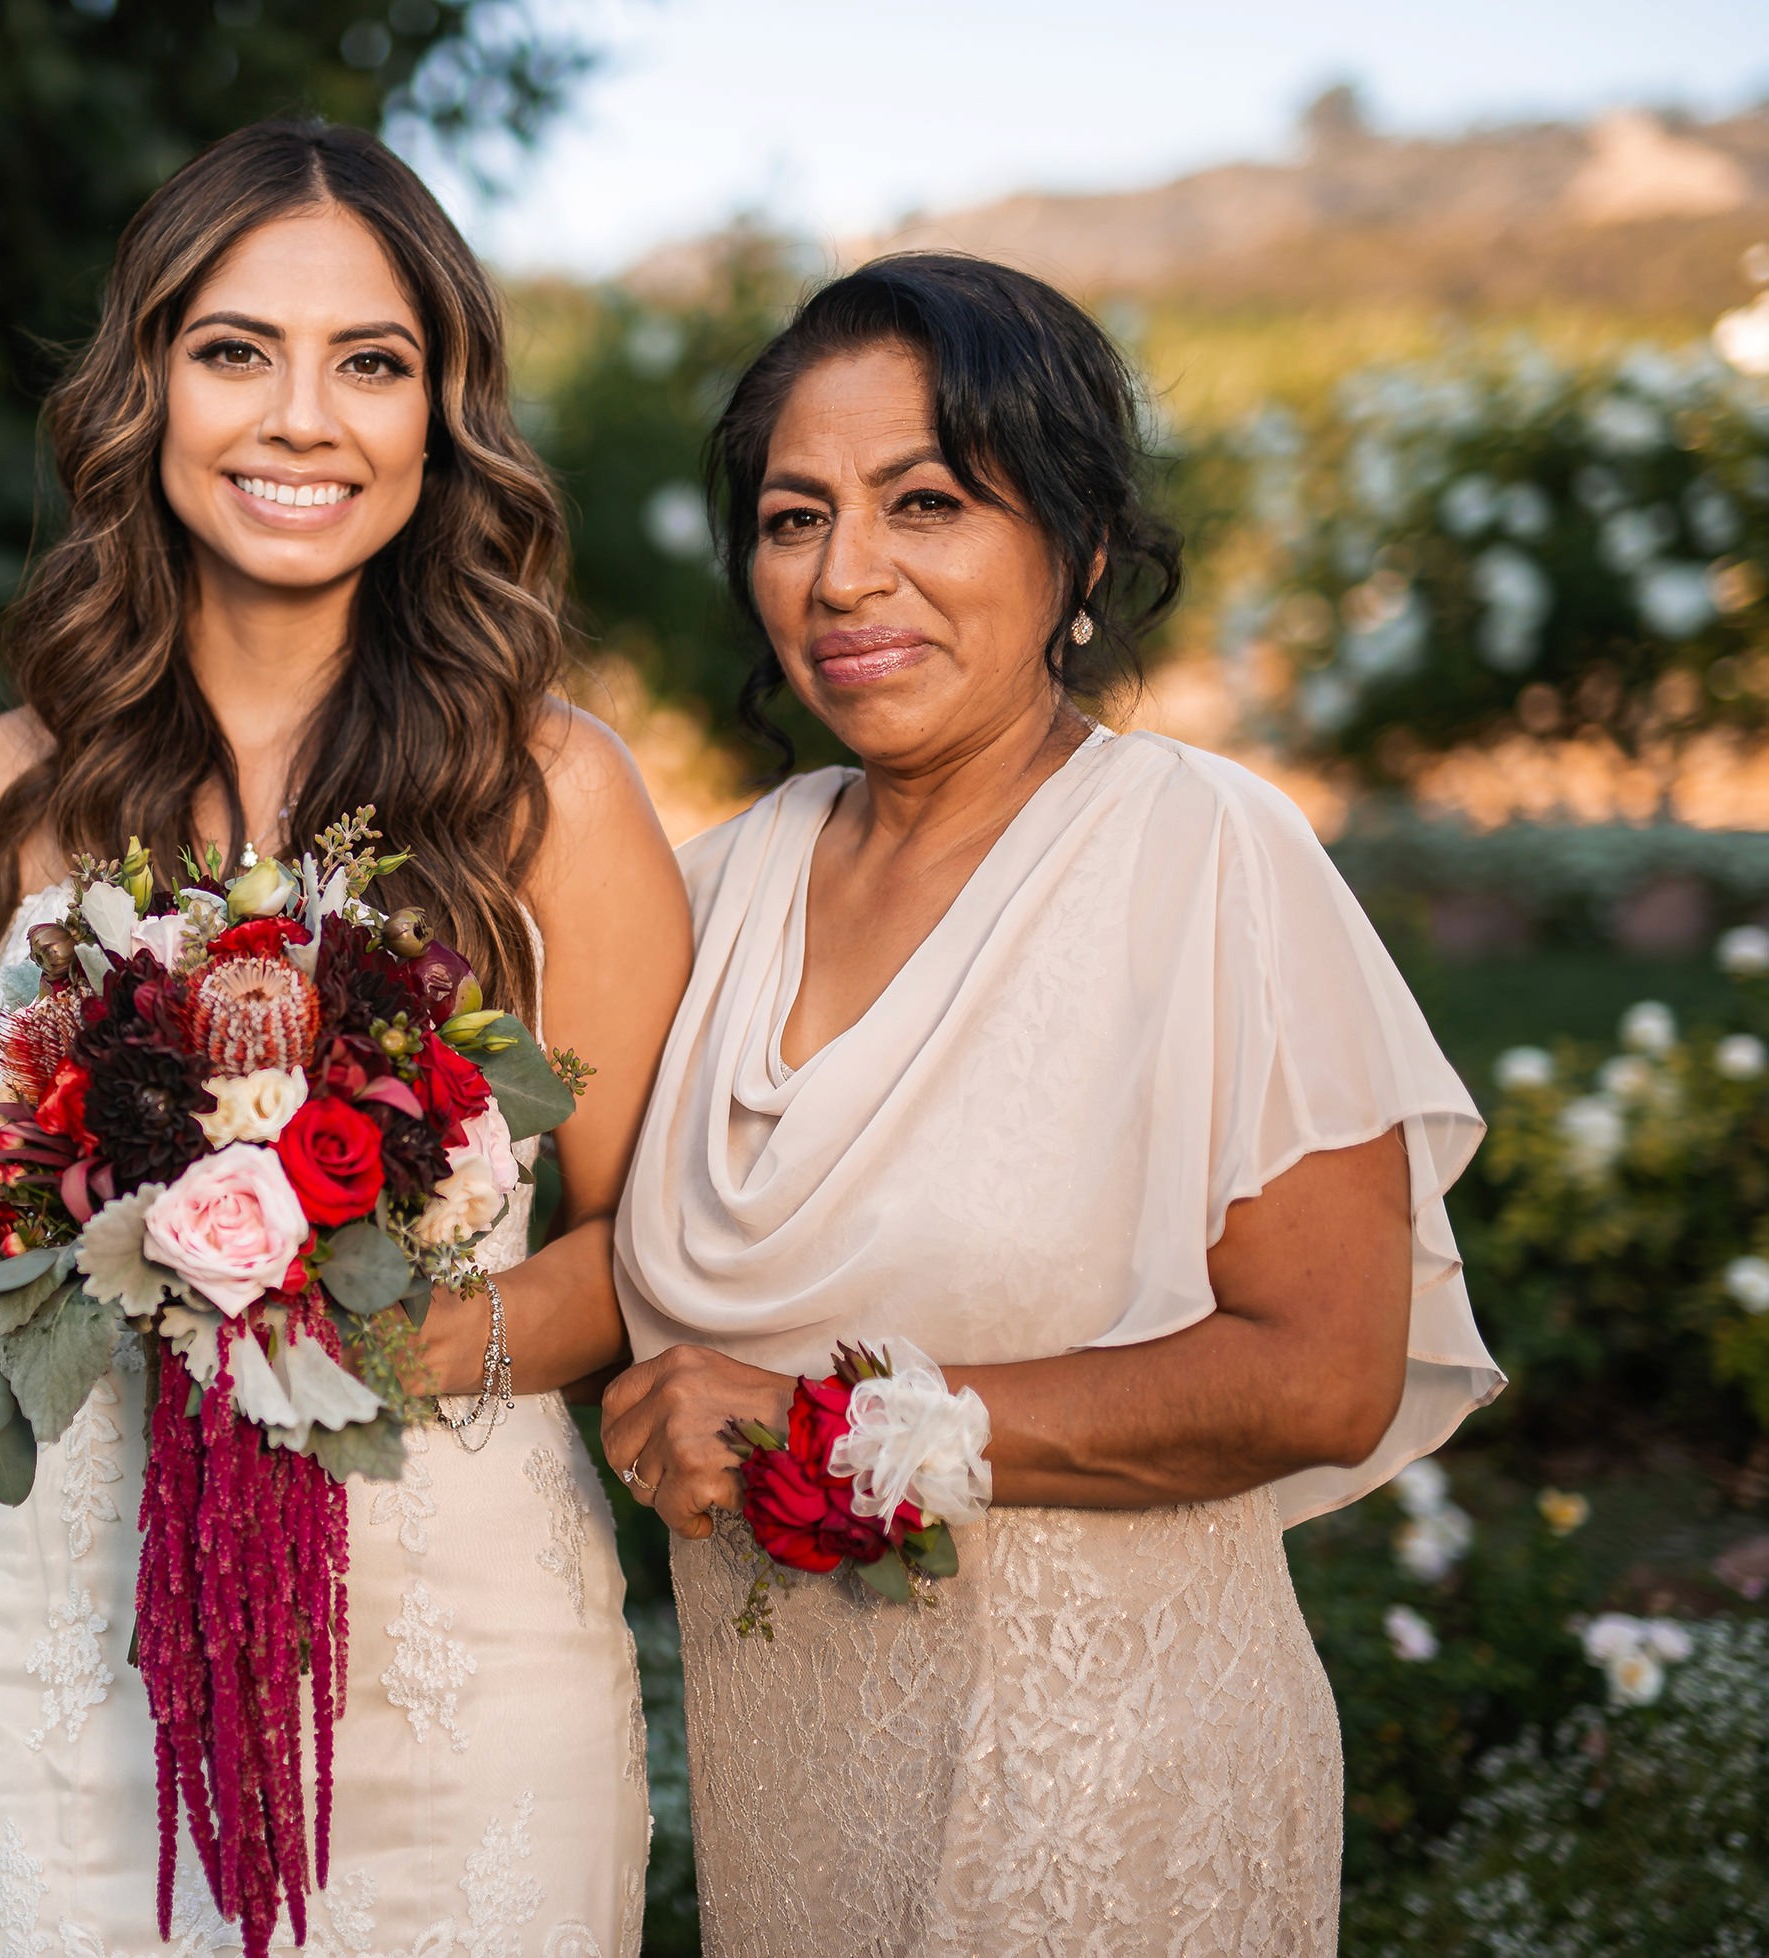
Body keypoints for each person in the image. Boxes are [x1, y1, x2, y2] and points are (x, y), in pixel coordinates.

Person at [602, 254, 1504, 1955]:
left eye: (925, 502)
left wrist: (820, 1425)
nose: (843, 574)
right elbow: (573, 1242)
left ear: (1078, 546)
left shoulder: (1201, 851)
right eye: (793, 518)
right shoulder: (710, 892)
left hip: (1105, 1804)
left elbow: (1323, 1370)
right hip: (792, 1805)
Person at [0, 120, 690, 1954]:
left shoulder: (553, 794)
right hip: (59, 1658)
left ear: (441, 417)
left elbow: (652, 1258)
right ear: (146, 388)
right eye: (236, 350)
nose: (301, 418)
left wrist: (360, 1342)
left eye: (371, 362)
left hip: (457, 1652)